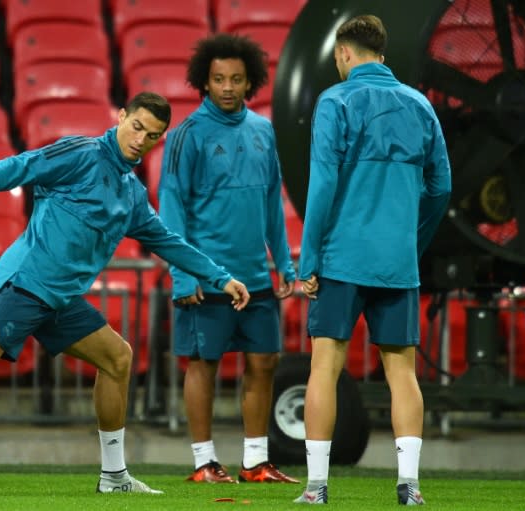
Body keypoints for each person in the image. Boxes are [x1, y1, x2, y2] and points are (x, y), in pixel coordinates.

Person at [0, 92, 251, 494]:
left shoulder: (132, 195)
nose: (141, 138)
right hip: (27, 282)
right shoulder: (82, 154)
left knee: (117, 359)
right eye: (137, 126)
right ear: (121, 117)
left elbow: (167, 241)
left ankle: (114, 476)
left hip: (61, 299)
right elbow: (20, 167)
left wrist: (219, 278)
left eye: (152, 135)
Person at [294, 15, 451, 505]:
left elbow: (321, 185)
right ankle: (409, 486)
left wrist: (310, 258)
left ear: (344, 53)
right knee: (401, 372)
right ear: (381, 53)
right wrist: (412, 241)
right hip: (396, 260)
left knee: (325, 368)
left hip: (341, 258)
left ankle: (317, 488)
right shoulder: (421, 104)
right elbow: (441, 188)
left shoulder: (335, 100)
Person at [158, 33, 298, 484]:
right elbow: (172, 211)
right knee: (203, 364)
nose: (227, 87)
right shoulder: (186, 137)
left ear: (250, 81)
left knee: (263, 362)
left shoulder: (263, 130)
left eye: (236, 79)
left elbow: (272, 203)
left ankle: (255, 462)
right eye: (218, 78)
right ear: (204, 81)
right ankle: (204, 464)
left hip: (256, 277)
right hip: (207, 278)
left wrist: (285, 264)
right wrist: (183, 276)